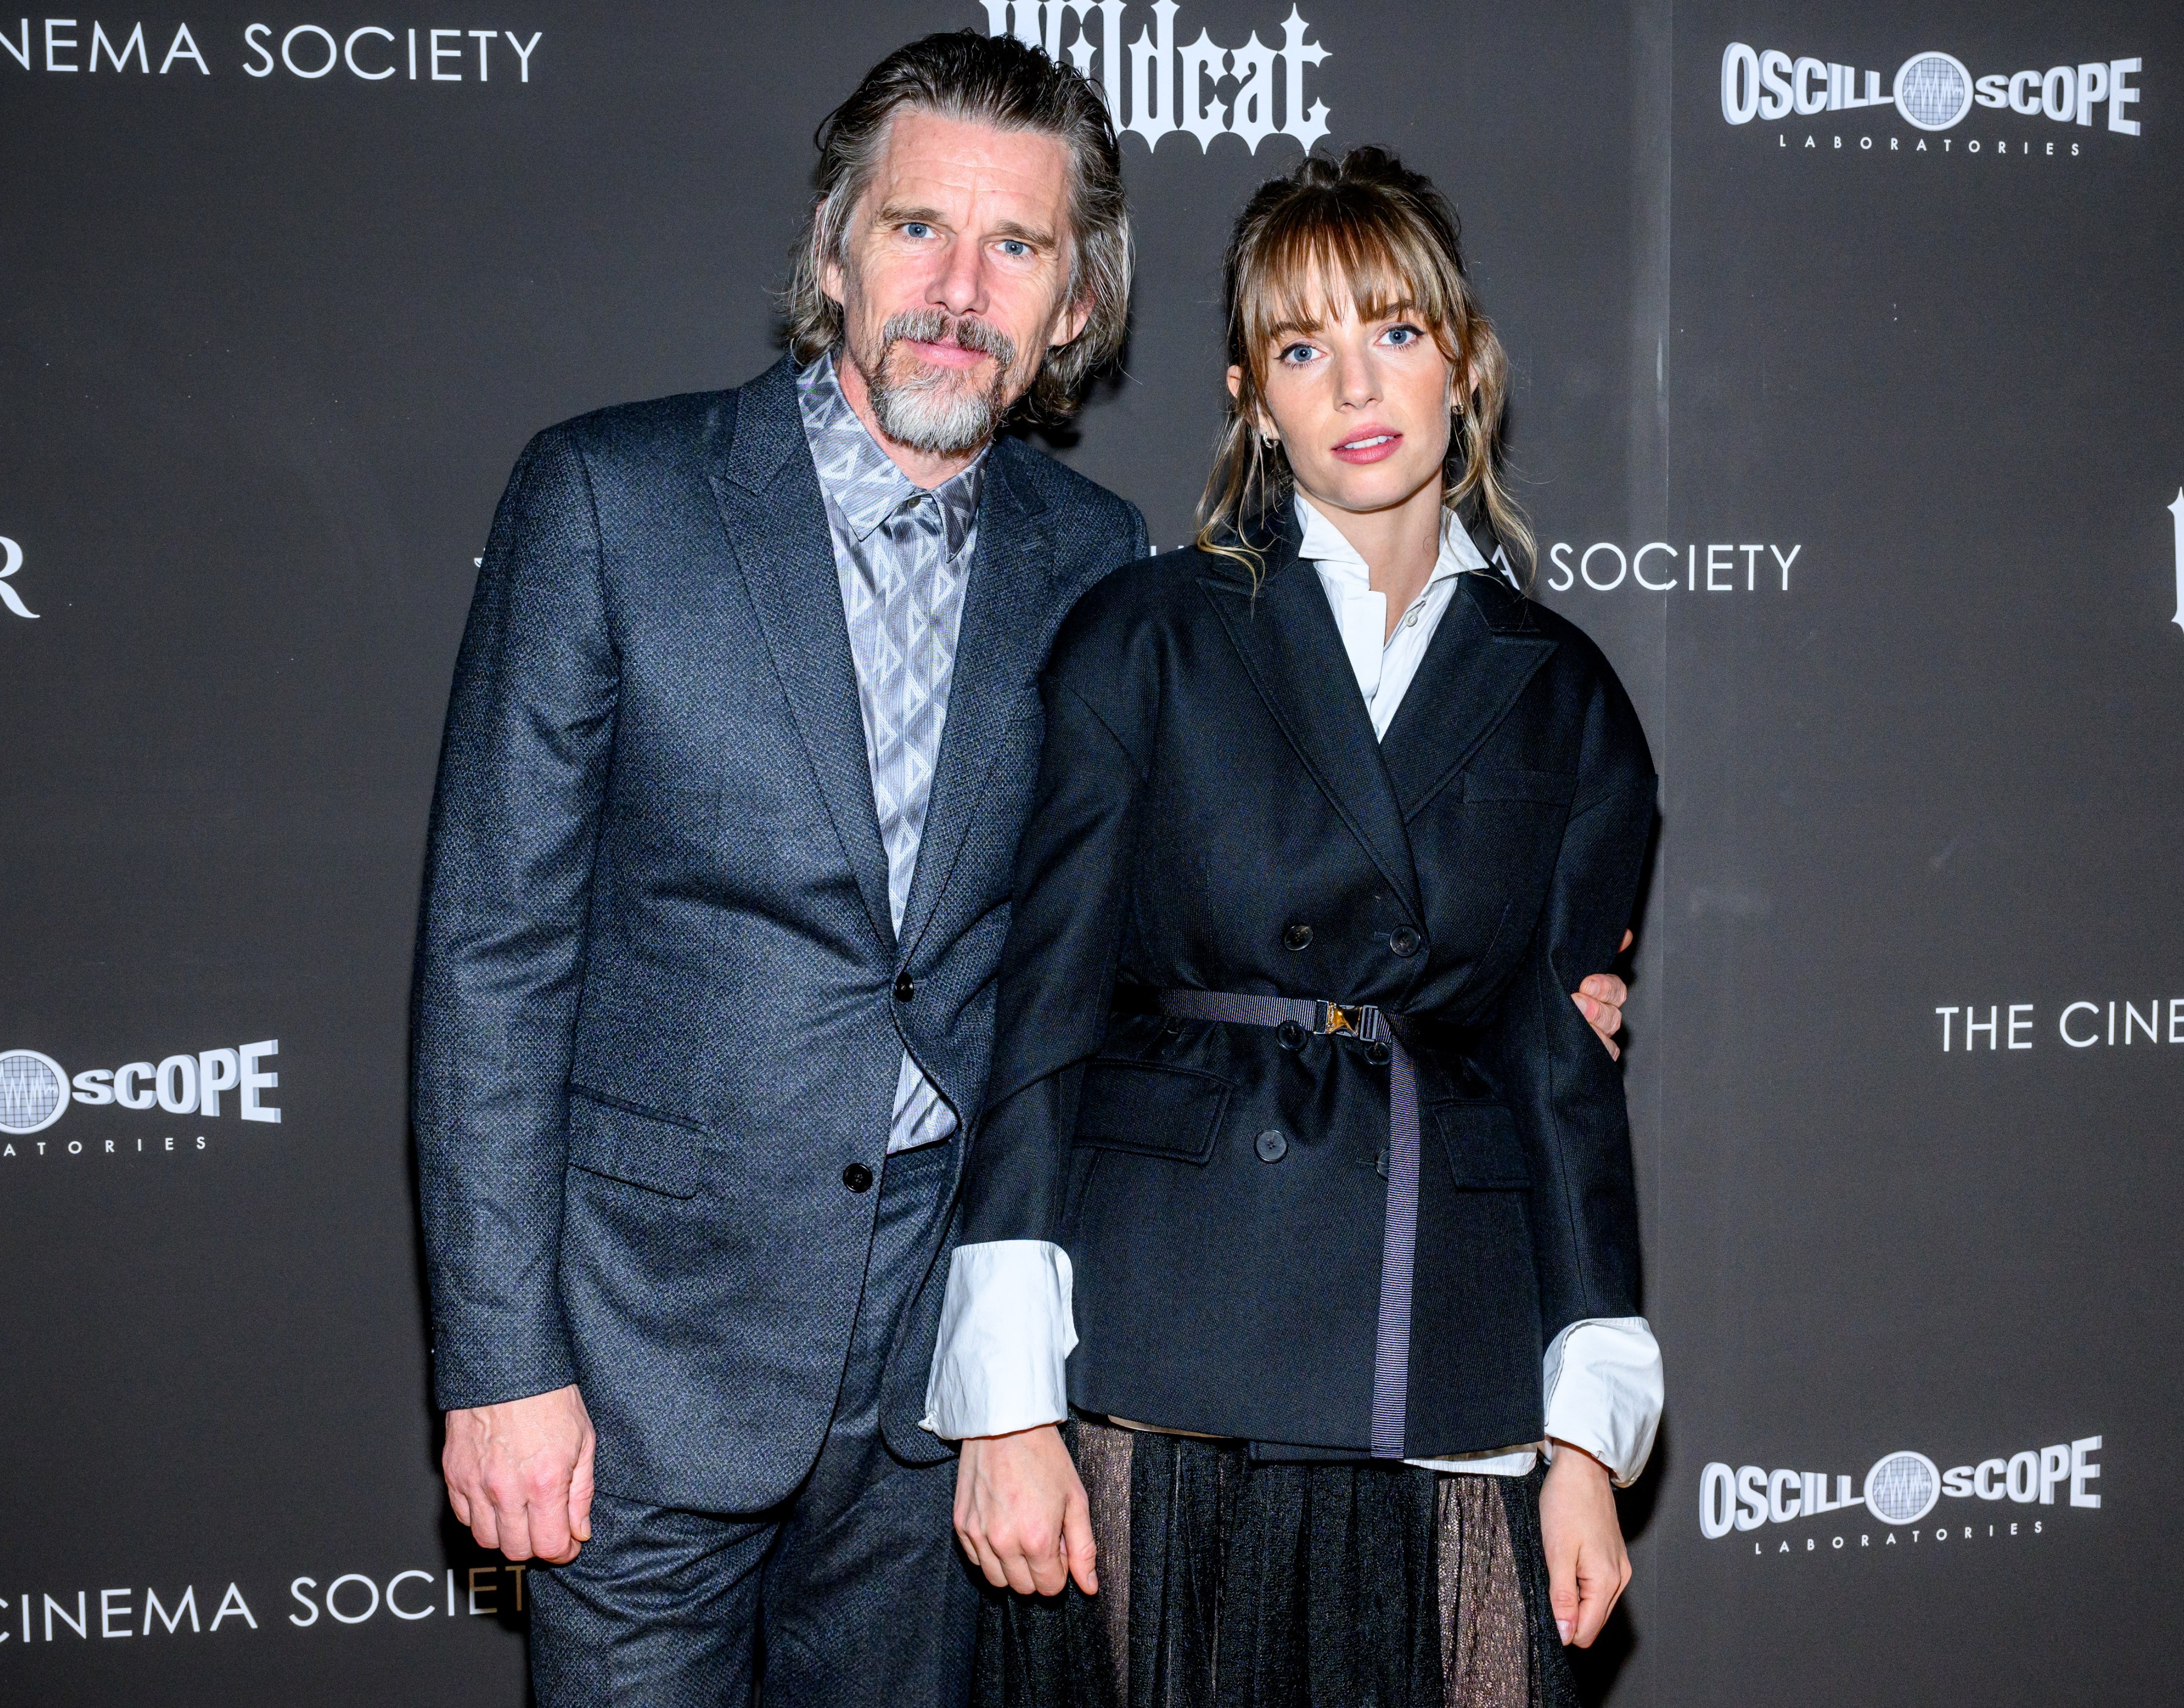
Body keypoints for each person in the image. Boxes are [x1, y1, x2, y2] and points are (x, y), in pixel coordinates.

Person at [413, 31, 1631, 1704]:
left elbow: (1122, 959)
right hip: (645, 1363)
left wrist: (1519, 974)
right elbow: (494, 956)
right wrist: (501, 1365)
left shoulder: (1096, 565)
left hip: (945, 1389)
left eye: (1019, 248)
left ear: (1076, 310)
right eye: (917, 229)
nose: (957, 288)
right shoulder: (610, 498)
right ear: (835, 249)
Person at [927, 147, 1663, 1708]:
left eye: (1394, 330)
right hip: (1170, 1334)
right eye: (1302, 346)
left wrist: (1589, 1436)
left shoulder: (1565, 694)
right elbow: (1042, 1011)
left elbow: (1561, 1075)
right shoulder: (1147, 635)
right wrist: (1001, 1403)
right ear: (1252, 397)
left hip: (1447, 1339)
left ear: (1464, 361)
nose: (1357, 383)